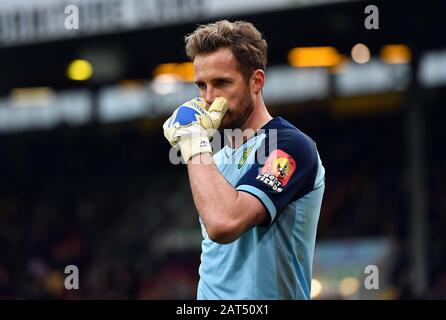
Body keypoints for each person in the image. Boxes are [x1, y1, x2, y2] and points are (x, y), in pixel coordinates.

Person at [163, 20, 325, 300]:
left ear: (256, 81)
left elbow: (223, 223)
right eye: (201, 86)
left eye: (222, 83)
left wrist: (192, 142)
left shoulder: (290, 147)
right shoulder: (215, 158)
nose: (209, 98)